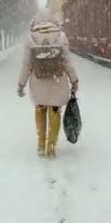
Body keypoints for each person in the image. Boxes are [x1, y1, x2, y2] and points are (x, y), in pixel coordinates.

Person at [17, 9, 78, 158]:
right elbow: (67, 61)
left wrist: (21, 84)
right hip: (57, 82)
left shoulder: (30, 37)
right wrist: (74, 80)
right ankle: (51, 147)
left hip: (38, 82)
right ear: (53, 20)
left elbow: (26, 64)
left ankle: (40, 144)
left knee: (40, 110)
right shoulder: (61, 36)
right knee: (55, 112)